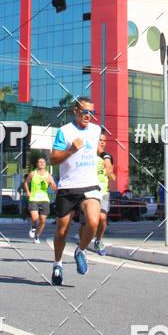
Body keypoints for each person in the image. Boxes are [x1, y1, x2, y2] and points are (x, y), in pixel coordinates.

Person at [50, 96, 102, 285]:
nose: (88, 115)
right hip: (68, 187)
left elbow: (98, 149)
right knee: (62, 231)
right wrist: (71, 150)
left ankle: (80, 250)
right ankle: (57, 264)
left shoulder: (96, 130)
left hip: (89, 185)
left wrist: (106, 158)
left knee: (94, 221)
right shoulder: (65, 132)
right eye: (85, 111)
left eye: (91, 112)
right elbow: (53, 159)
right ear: (75, 110)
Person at [91, 130, 115, 255]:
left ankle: (98, 240)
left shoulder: (108, 157)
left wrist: (110, 174)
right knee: (90, 221)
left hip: (104, 192)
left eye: (104, 141)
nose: (102, 142)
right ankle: (83, 246)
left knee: (102, 218)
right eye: (100, 140)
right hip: (89, 192)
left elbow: (112, 174)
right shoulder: (89, 156)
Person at [25, 157, 57, 243]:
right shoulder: (32, 173)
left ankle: (37, 236)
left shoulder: (48, 175)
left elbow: (54, 188)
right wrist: (28, 192)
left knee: (43, 220)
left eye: (43, 162)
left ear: (45, 165)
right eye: (40, 162)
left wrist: (50, 182)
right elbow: (26, 183)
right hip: (34, 198)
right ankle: (33, 226)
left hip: (44, 199)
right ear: (37, 164)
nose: (42, 163)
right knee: (35, 217)